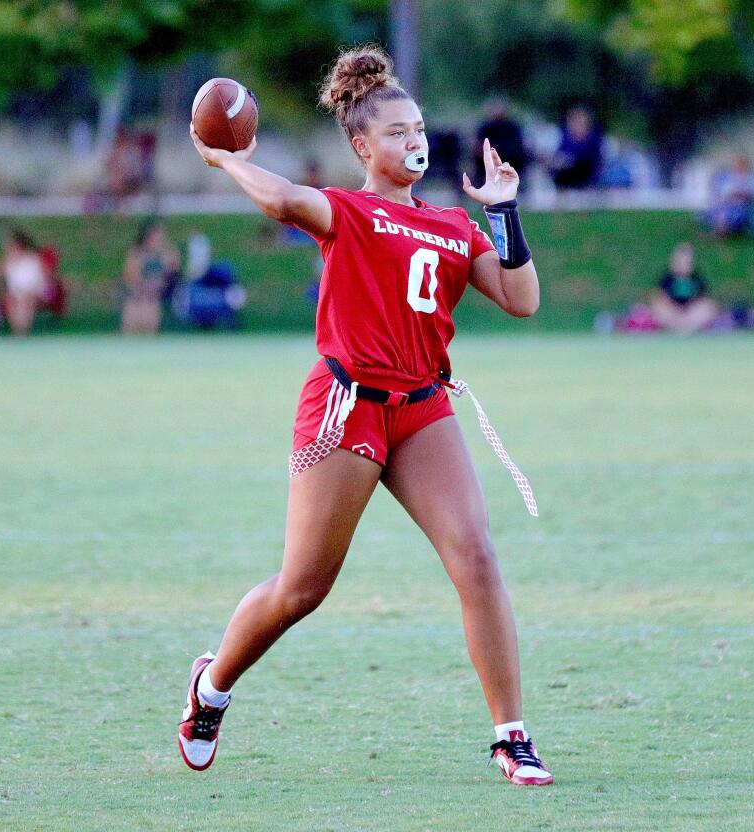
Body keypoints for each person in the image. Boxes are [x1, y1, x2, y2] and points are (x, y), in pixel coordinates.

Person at [181, 44, 552, 787]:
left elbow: (521, 299)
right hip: (345, 406)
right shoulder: (347, 210)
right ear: (362, 145)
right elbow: (286, 200)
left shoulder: (453, 224)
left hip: (421, 410)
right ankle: (211, 686)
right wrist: (226, 162)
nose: (414, 140)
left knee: (476, 558)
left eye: (419, 128)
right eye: (396, 131)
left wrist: (504, 211)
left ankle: (512, 738)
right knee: (302, 588)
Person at [121, 221, 180, 334]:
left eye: (160, 237)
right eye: (154, 237)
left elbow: (173, 274)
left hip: (152, 299)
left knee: (149, 331)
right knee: (131, 331)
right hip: (136, 299)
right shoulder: (136, 253)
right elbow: (129, 276)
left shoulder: (166, 254)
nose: (158, 240)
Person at [651, 242, 719, 333]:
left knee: (708, 306)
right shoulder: (667, 278)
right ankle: (674, 327)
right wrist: (675, 309)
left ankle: (688, 327)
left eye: (686, 262)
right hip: (672, 312)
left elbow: (703, 298)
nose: (682, 265)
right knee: (659, 307)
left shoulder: (696, 278)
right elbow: (660, 296)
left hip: (691, 312)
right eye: (679, 262)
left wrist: (688, 309)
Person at [704, 154, 754, 237]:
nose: (740, 166)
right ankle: (721, 229)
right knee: (722, 212)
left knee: (736, 214)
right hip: (729, 205)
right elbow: (722, 193)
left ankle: (722, 230)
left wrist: (745, 195)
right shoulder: (729, 178)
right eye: (738, 164)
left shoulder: (753, 179)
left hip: (745, 206)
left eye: (742, 164)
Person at [474, 99, 528, 190]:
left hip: (510, 157)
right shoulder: (485, 126)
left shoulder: (512, 126)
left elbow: (519, 143)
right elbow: (479, 143)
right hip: (490, 157)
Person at [2, 229, 47, 336]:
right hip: (18, 292)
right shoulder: (10, 261)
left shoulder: (32, 259)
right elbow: (12, 282)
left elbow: (37, 281)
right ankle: (17, 332)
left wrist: (25, 291)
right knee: (12, 301)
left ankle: (24, 331)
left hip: (38, 290)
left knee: (25, 299)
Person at [549, 107, 602, 191]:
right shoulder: (566, 137)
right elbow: (560, 153)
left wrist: (569, 160)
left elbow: (589, 158)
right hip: (566, 174)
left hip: (586, 174)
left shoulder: (593, 138)